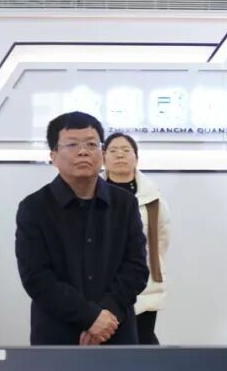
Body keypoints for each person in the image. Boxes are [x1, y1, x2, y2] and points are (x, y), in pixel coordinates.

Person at [16, 112, 148, 346]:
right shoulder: (34, 207)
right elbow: (36, 277)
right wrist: (90, 317)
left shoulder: (125, 204)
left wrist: (106, 315)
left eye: (91, 144)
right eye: (72, 145)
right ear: (53, 156)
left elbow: (136, 268)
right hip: (57, 334)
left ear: (102, 153)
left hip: (115, 331)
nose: (83, 151)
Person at [103, 132, 170, 344]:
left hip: (143, 280)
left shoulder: (153, 198)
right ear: (103, 158)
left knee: (143, 340)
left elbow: (162, 238)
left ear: (136, 158)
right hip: (103, 279)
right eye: (113, 151)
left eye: (126, 150)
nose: (120, 155)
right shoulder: (93, 193)